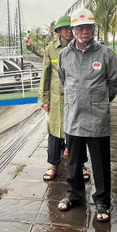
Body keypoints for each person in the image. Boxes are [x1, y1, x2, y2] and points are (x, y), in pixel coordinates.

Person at [57, 8, 117, 222]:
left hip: (97, 118)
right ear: (74, 30)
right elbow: (63, 79)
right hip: (74, 116)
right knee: (74, 161)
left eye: (88, 27)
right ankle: (74, 194)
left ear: (94, 29)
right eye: (80, 27)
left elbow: (115, 81)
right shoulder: (64, 55)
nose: (85, 31)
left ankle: (102, 201)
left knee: (100, 163)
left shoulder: (105, 54)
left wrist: (99, 100)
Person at [38, 15, 75, 181]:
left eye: (71, 28)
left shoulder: (79, 47)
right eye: (65, 28)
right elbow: (45, 75)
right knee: (54, 131)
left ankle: (80, 164)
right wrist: (44, 99)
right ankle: (53, 165)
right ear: (59, 31)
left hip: (74, 97)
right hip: (56, 98)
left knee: (76, 132)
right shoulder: (50, 49)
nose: (69, 31)